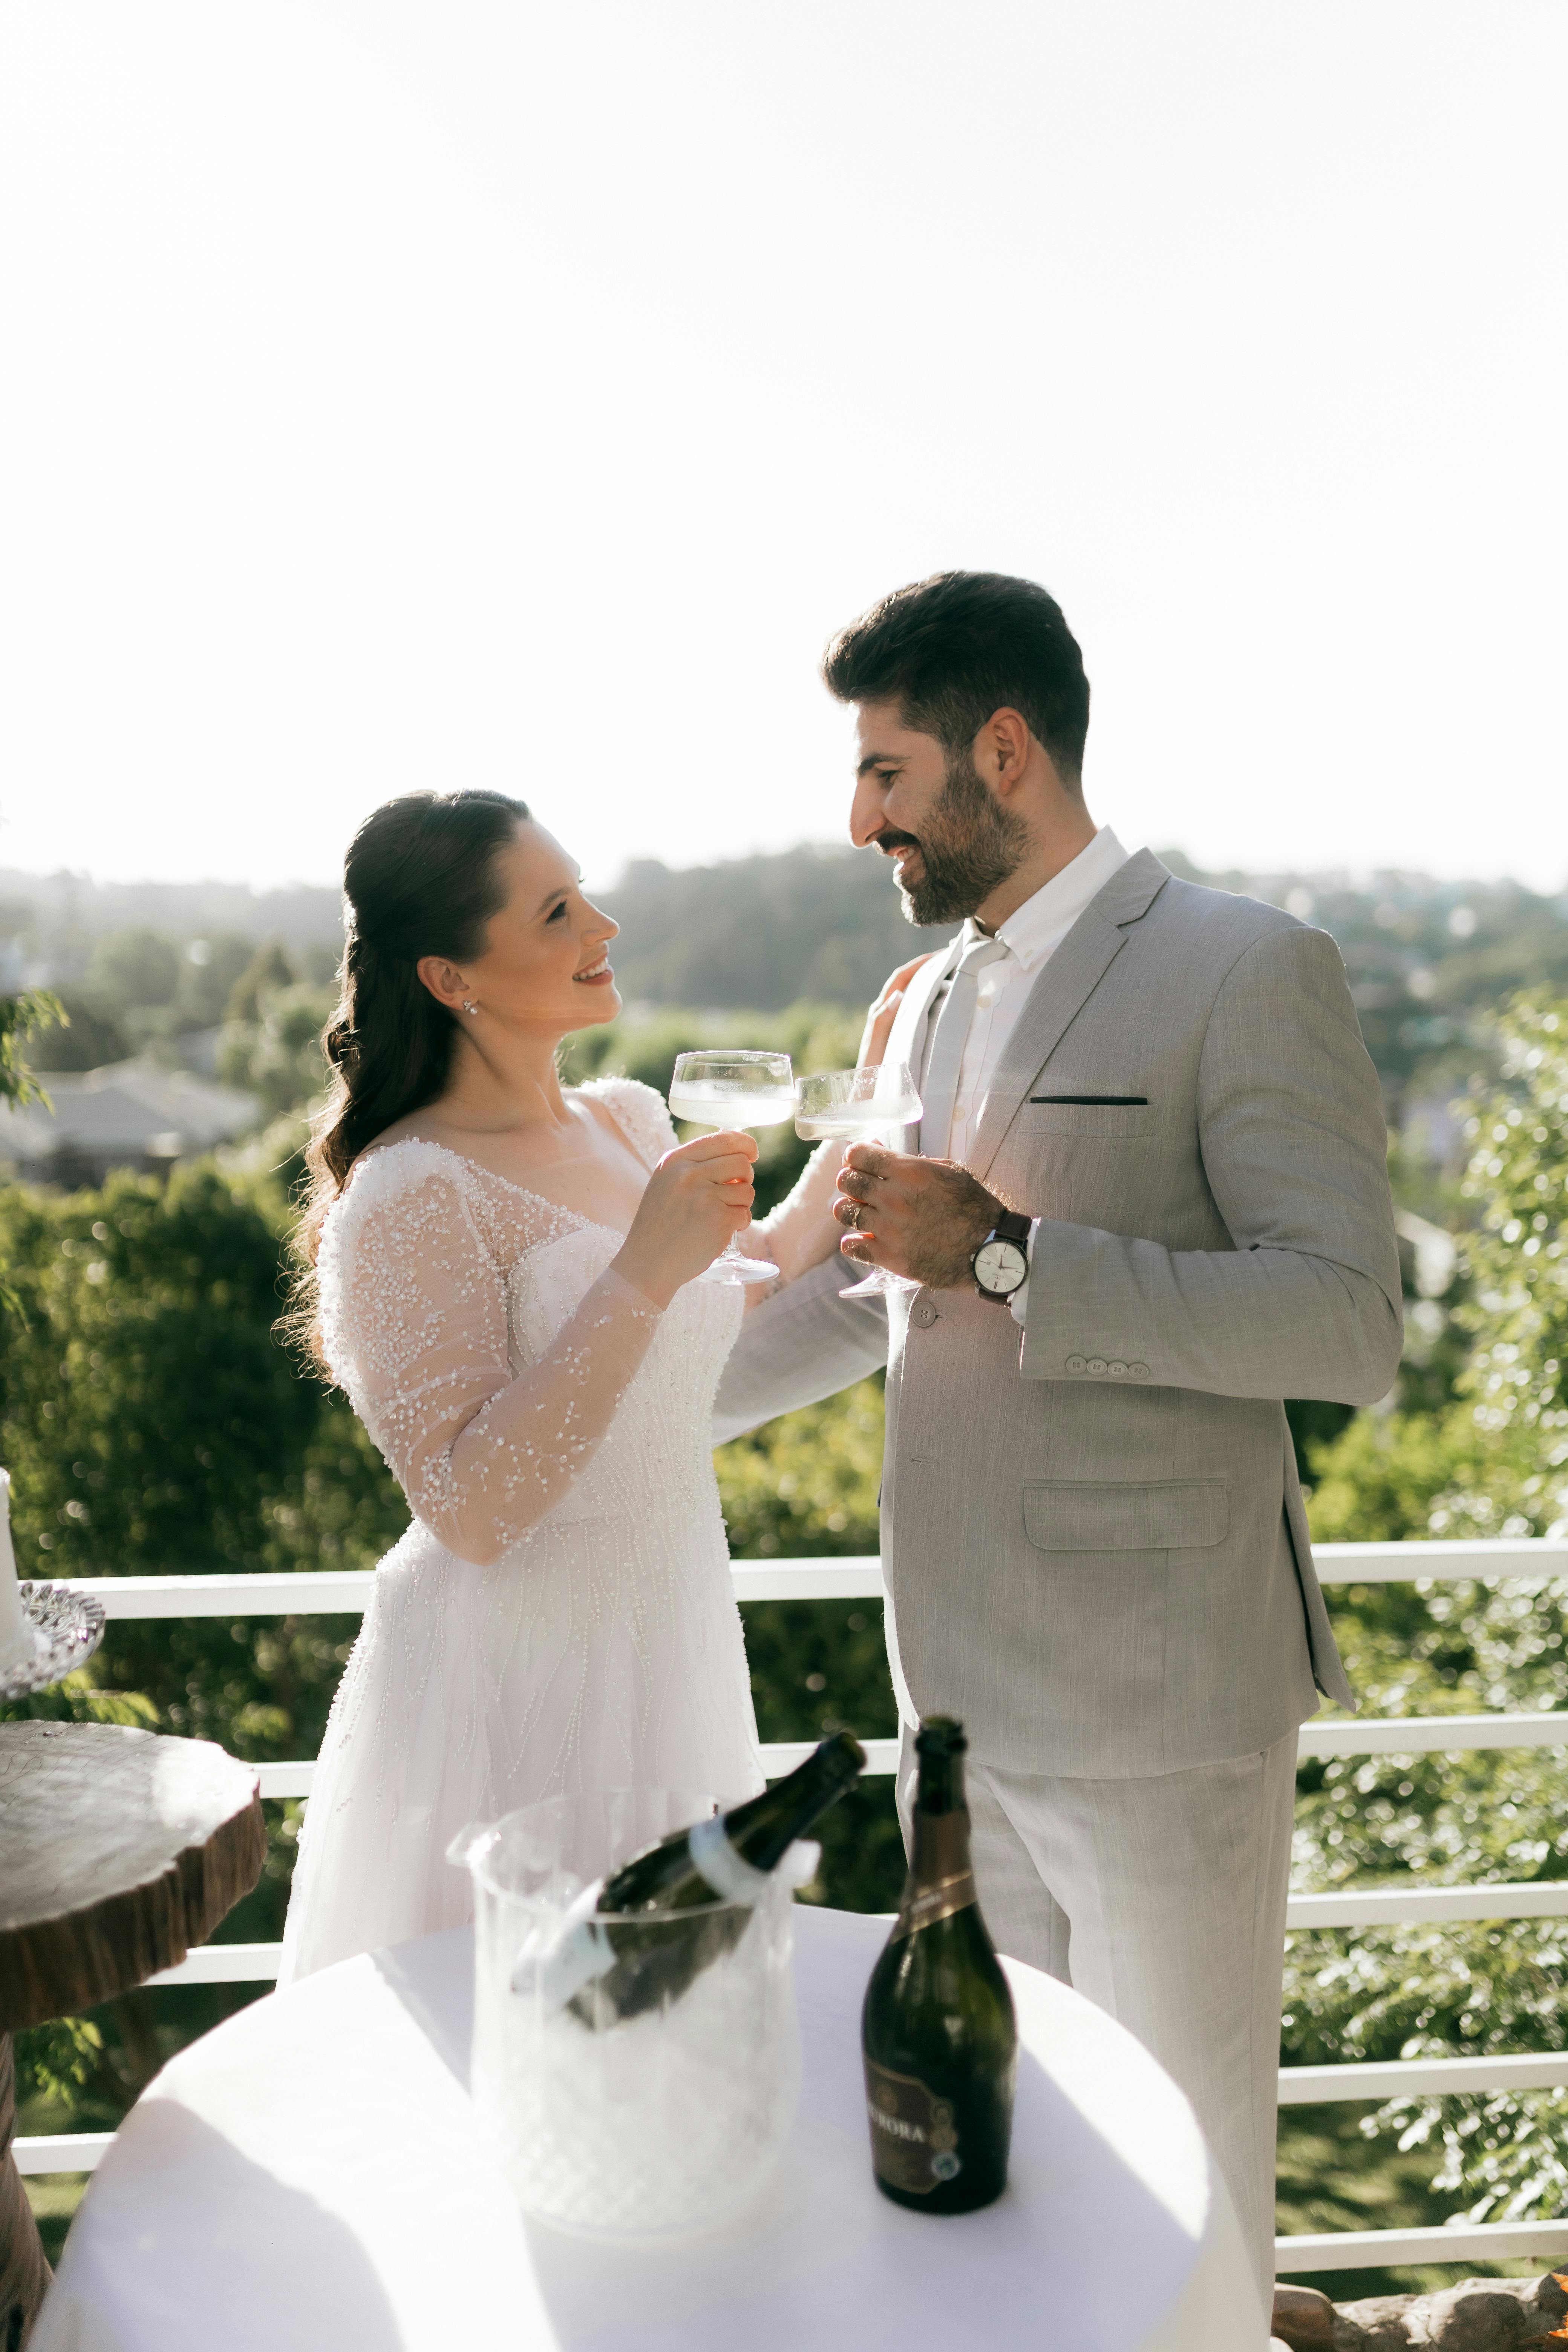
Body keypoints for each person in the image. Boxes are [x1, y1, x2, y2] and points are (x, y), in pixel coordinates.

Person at [714, 571, 1403, 2299]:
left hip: (1160, 1698)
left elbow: (1344, 1321)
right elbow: (887, 1290)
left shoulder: (1246, 966)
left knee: (1180, 2193)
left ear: (998, 752)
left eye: (883, 772)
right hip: (945, 1703)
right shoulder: (919, 1001)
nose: (853, 812)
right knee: (1005, 2177)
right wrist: (633, 1408)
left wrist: (1012, 1252)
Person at [278, 789, 850, 1982]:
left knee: (686, 2031)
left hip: (674, 1633)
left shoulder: (630, 1117)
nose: (604, 925)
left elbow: (734, 1284)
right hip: (506, 1689)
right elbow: (474, 1512)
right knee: (522, 2049)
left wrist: (858, 1134)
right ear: (452, 977)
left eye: (583, 892)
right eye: (556, 909)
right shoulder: (407, 1194)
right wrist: (641, 1268)